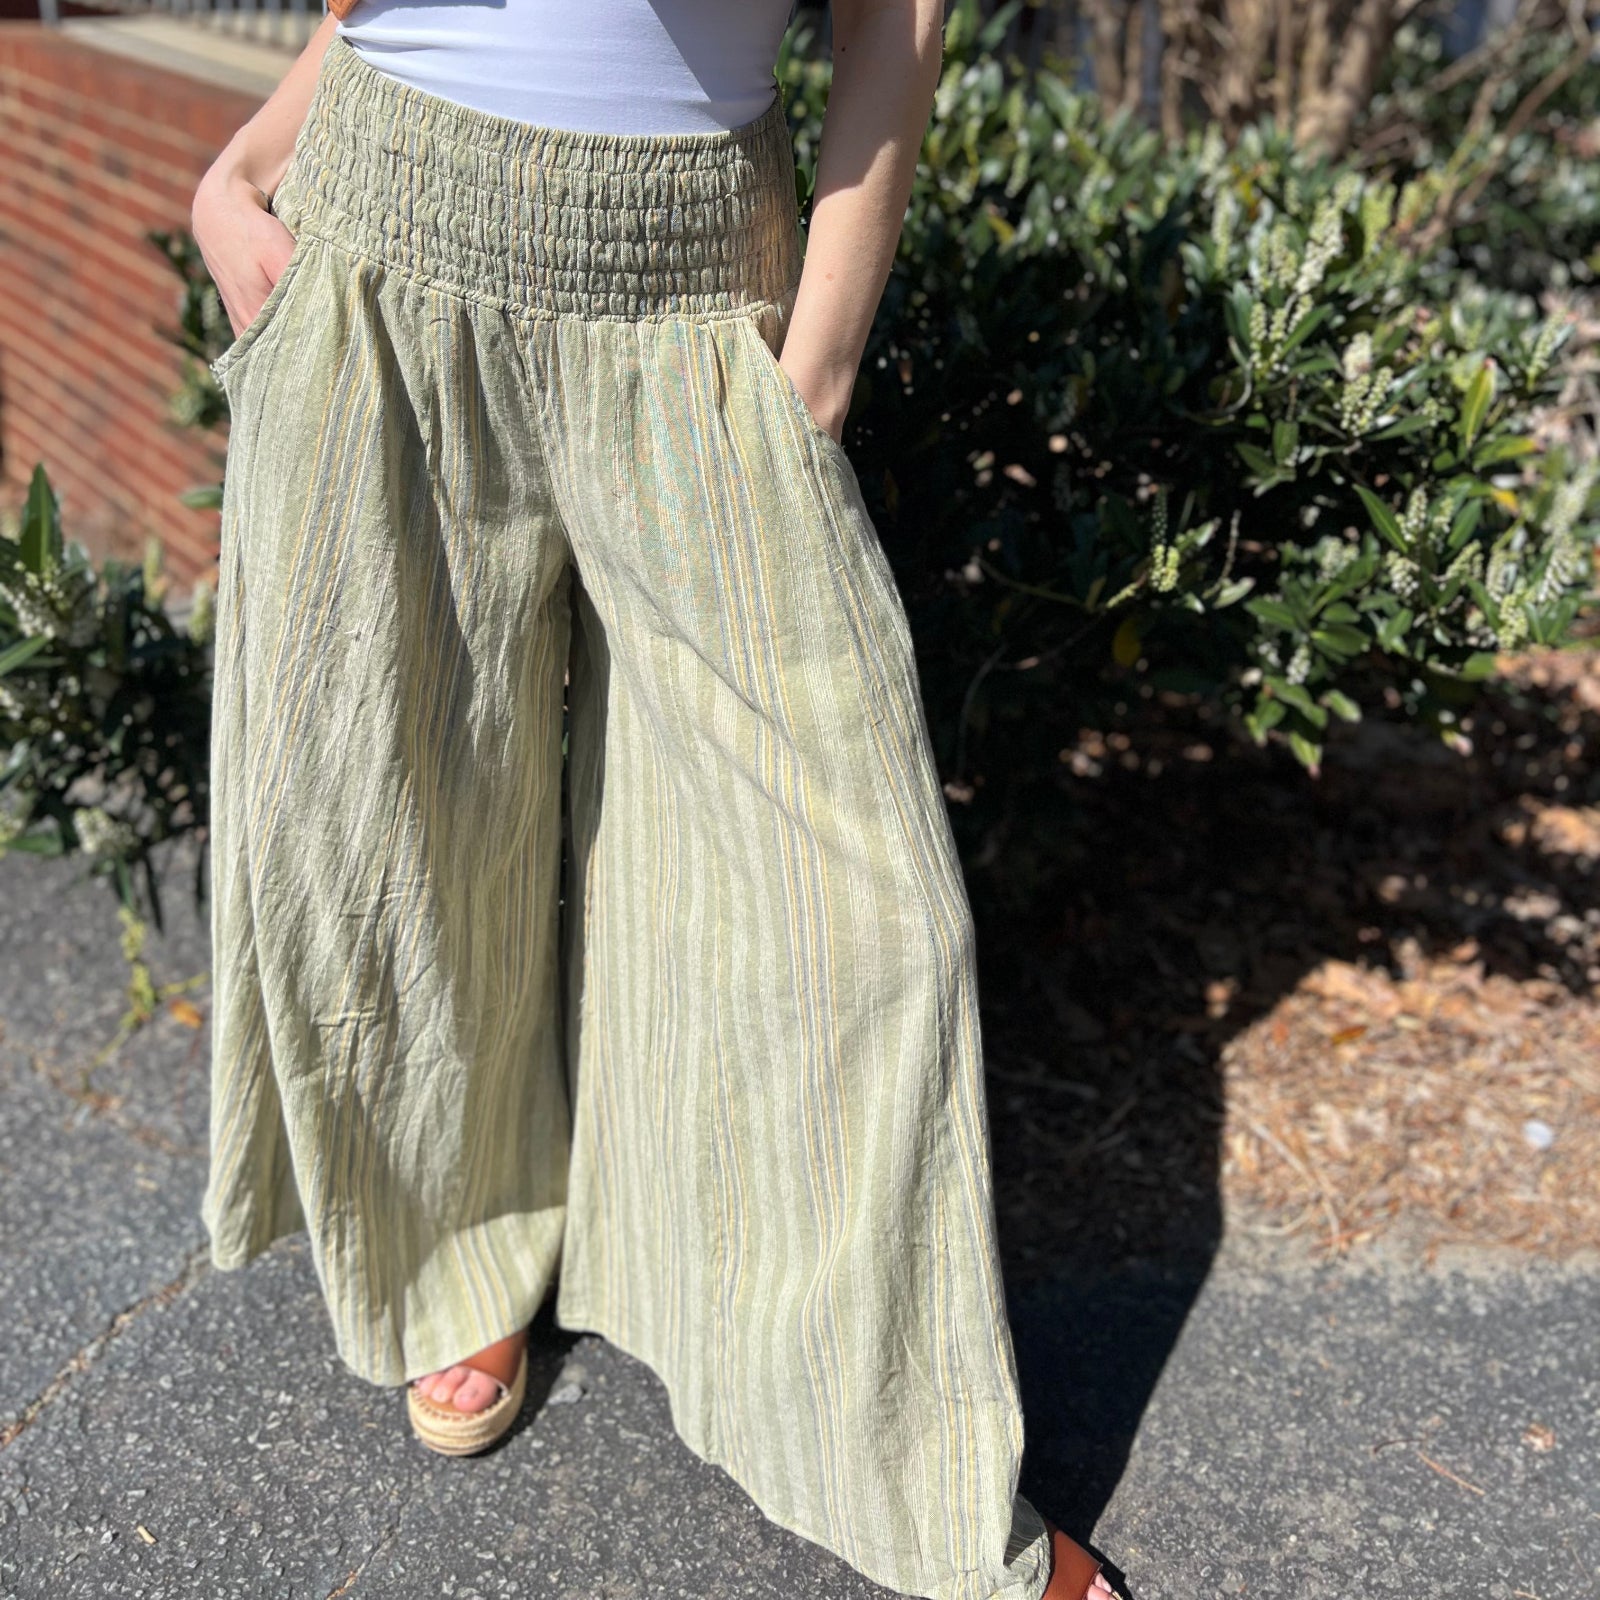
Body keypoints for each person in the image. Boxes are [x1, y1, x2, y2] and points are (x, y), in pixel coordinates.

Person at [188, 3, 1126, 1597]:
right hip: (378, 223)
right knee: (398, 826)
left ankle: (897, 1460)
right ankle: (457, 1255)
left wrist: (818, 359)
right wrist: (243, 169)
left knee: (858, 902)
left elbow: (897, 21)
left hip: (692, 271)